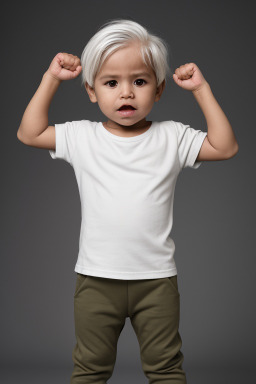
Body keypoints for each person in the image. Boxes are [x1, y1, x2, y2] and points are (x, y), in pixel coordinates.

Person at [17, 18, 239, 384]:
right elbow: (30, 132)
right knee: (89, 369)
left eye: (139, 81)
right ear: (91, 90)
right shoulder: (82, 137)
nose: (126, 93)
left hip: (156, 280)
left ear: (159, 89)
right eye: (111, 83)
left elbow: (225, 146)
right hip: (96, 278)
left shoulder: (172, 137)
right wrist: (51, 78)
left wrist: (201, 89)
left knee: (166, 369)